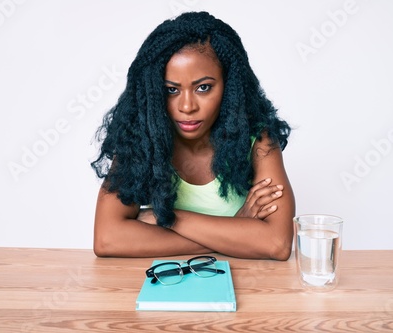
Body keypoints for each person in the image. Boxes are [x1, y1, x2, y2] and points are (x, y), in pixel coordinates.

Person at [91, 11, 295, 260]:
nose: (187, 106)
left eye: (203, 87)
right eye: (171, 90)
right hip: (163, 283)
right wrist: (235, 231)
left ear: (229, 85)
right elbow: (108, 239)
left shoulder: (257, 140)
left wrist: (166, 217)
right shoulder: (142, 139)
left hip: (244, 288)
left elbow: (277, 244)